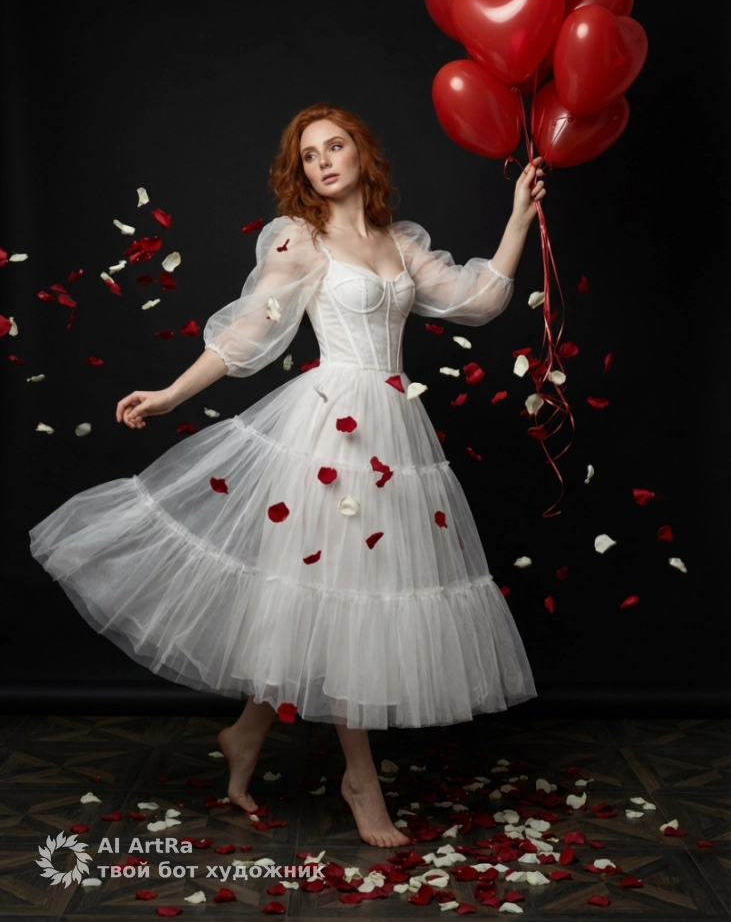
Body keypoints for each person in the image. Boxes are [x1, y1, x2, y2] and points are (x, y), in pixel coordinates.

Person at [29, 103, 545, 849]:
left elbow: (482, 299)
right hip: (330, 432)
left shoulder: (398, 242)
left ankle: (246, 734)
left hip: (393, 431)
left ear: (361, 154)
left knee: (343, 596)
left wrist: (518, 216)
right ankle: (360, 778)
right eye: (309, 155)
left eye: (335, 147)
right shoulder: (300, 239)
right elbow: (250, 330)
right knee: (340, 594)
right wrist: (171, 393)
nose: (324, 162)